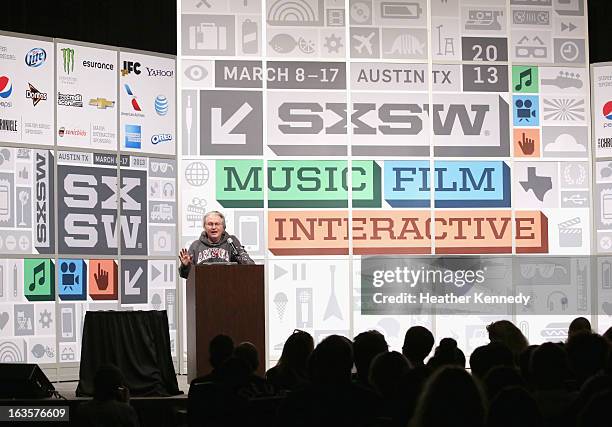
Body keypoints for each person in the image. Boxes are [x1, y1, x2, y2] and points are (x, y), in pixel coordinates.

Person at [179, 211, 254, 279]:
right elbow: (186, 275)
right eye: (210, 224)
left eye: (217, 224)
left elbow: (249, 265)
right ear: (204, 227)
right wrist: (185, 265)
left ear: (223, 227)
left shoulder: (231, 242)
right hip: (202, 290)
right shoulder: (196, 245)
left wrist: (241, 257)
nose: (213, 227)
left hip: (229, 288)